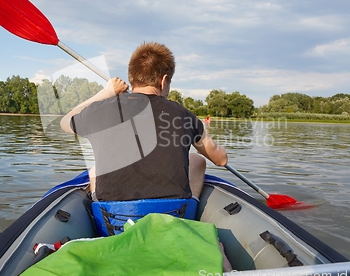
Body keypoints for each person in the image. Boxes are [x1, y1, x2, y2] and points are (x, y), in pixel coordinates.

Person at [60, 42, 228, 202]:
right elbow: (221, 160)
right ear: (163, 81)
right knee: (198, 160)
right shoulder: (183, 115)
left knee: (95, 171)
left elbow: (65, 122)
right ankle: (189, 213)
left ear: (132, 77)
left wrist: (107, 93)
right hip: (174, 215)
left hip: (112, 219)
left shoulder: (99, 111)